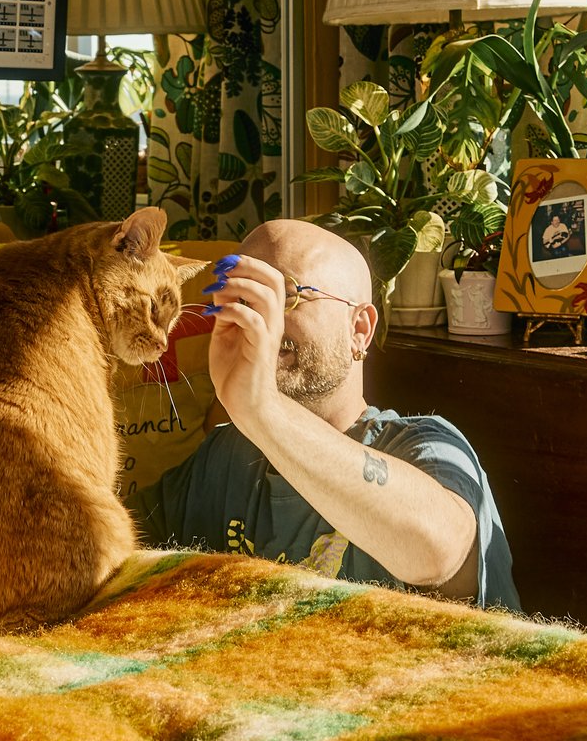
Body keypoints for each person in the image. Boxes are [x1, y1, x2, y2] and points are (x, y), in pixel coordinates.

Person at [133, 219, 519, 609]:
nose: (261, 320)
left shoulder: (426, 445)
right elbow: (113, 547)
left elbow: (439, 553)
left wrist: (263, 410)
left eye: (286, 296)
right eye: (244, 301)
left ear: (360, 329)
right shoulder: (223, 458)